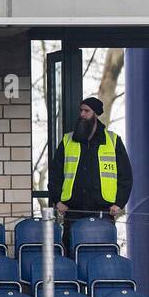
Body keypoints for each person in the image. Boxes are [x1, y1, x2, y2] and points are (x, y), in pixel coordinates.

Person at [48, 97, 132, 254]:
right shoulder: (67, 140)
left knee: (103, 253)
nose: (82, 114)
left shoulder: (113, 141)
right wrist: (57, 200)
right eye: (81, 110)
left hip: (103, 211)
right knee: (72, 253)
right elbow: (55, 174)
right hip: (73, 211)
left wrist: (119, 203)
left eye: (86, 111)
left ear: (96, 114)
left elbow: (125, 176)